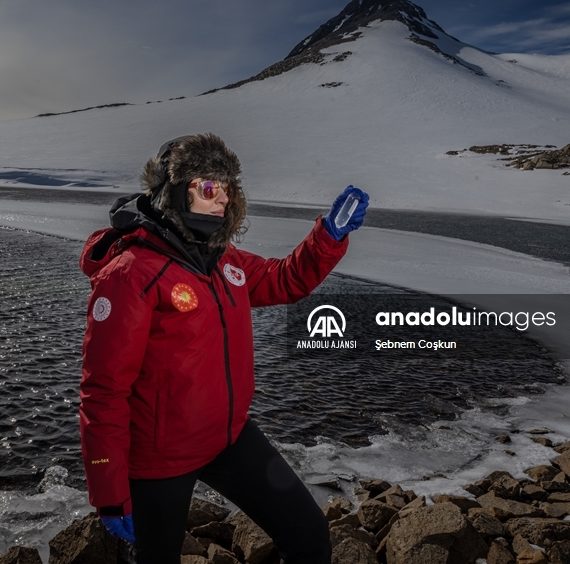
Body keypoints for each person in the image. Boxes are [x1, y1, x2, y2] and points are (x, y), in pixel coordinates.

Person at [78, 133, 369, 562]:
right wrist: (108, 489)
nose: (222, 201)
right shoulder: (132, 274)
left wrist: (327, 236)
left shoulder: (223, 259)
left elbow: (285, 279)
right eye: (209, 188)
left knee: (309, 534)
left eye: (227, 190)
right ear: (174, 191)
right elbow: (103, 391)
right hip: (160, 460)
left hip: (227, 438)